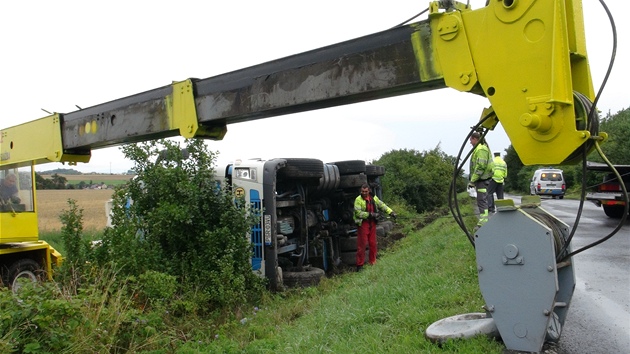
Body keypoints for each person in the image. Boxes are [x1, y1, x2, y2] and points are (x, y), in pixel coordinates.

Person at [353, 183, 396, 271]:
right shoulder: (358, 200)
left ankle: (373, 262)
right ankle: (359, 265)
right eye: (362, 191)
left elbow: (382, 205)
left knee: (373, 243)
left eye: (365, 191)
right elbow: (358, 213)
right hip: (363, 224)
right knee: (362, 245)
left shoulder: (374, 198)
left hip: (372, 223)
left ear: (369, 191)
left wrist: (391, 212)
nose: (364, 193)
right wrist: (371, 214)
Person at [468, 132, 493, 229]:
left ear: (475, 139)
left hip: (483, 180)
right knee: (482, 200)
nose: (470, 142)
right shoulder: (481, 148)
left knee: (482, 200)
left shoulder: (480, 149)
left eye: (471, 140)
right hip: (483, 180)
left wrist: (473, 180)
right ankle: (484, 221)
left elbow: (480, 167)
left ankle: (484, 223)